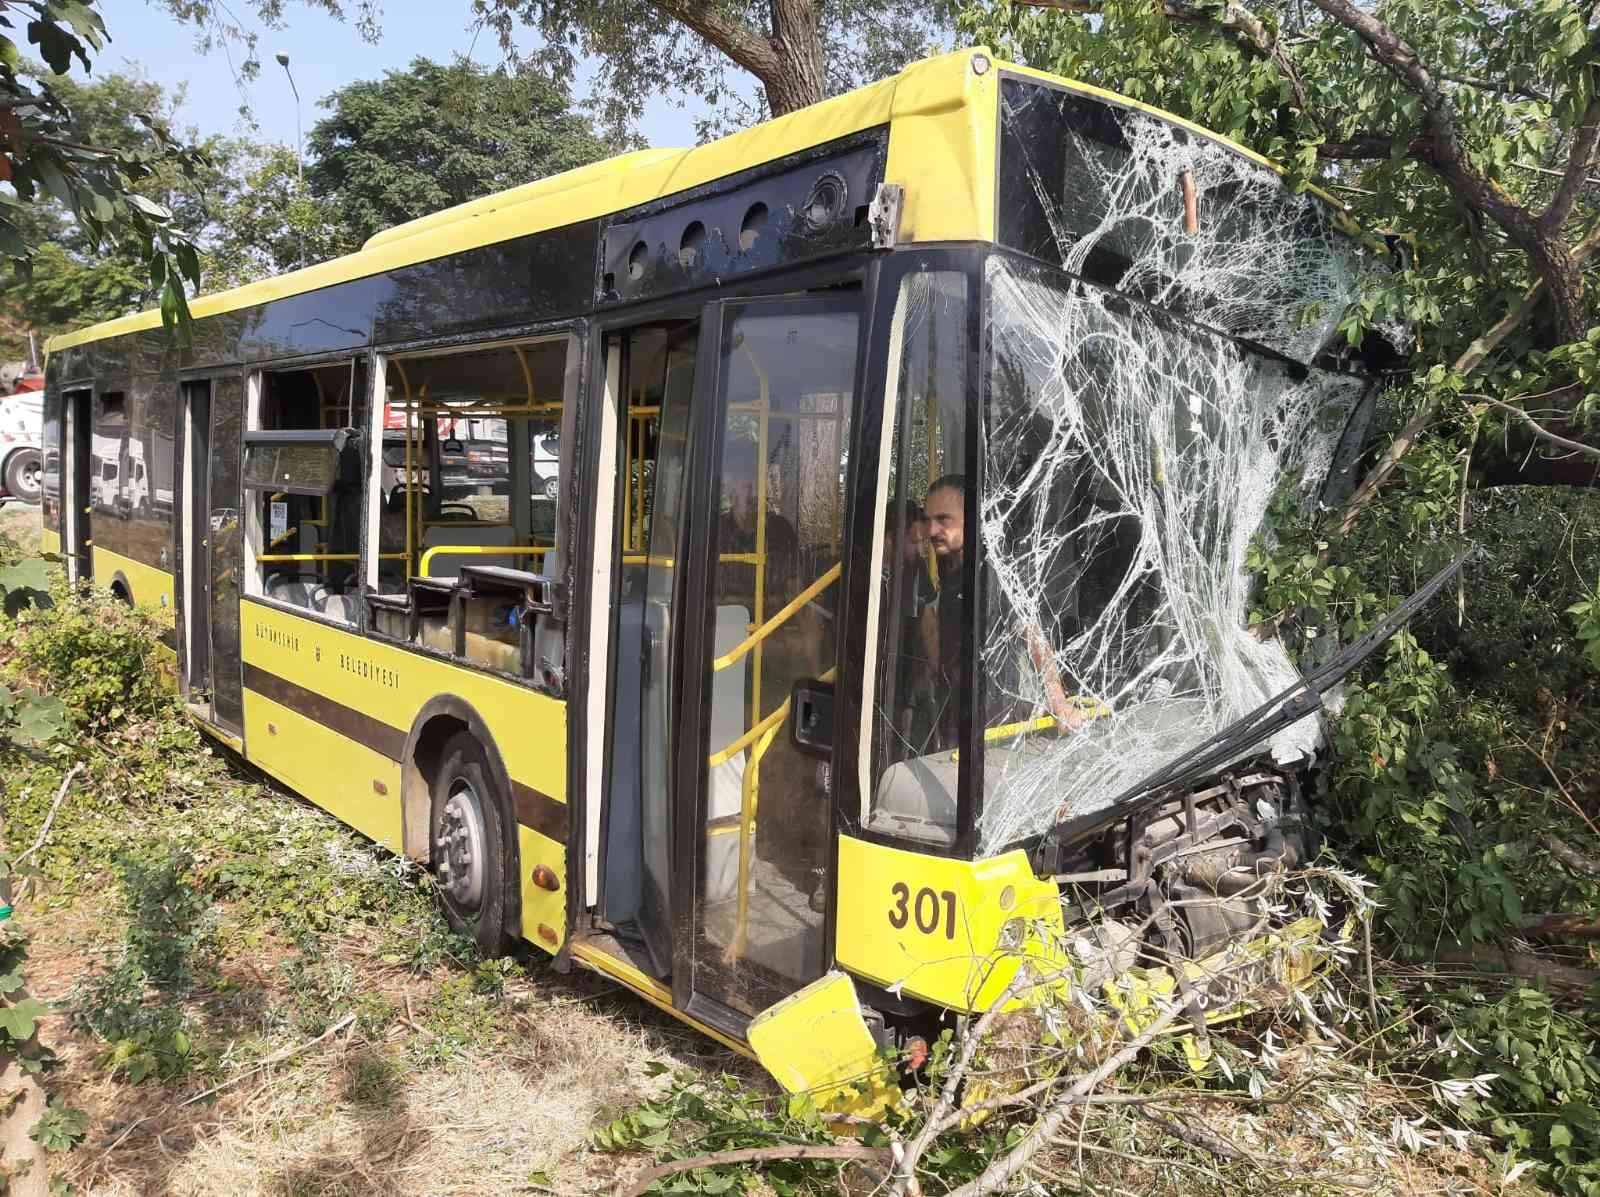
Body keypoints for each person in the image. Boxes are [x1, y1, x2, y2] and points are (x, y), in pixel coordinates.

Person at [923, 473, 1090, 747]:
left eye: (943, 519)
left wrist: (1058, 701)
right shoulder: (951, 574)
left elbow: (1032, 633)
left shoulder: (992, 574)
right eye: (928, 519)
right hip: (956, 718)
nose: (931, 530)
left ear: (972, 519)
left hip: (994, 728)